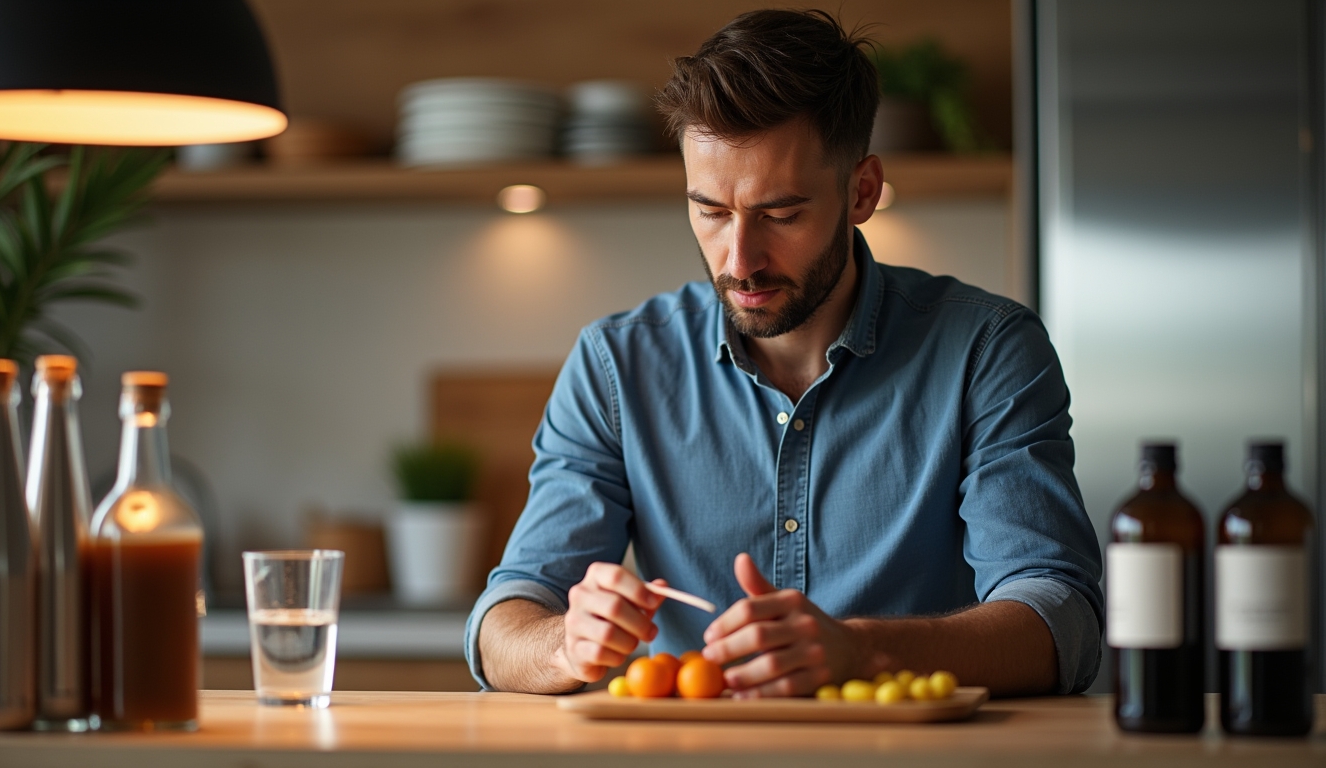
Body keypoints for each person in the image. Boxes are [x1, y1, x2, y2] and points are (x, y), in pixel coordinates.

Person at [465, 8, 1103, 698]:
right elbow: (504, 623)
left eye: (780, 214)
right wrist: (565, 644)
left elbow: (1061, 622)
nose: (740, 261)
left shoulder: (987, 349)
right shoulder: (616, 365)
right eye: (710, 211)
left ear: (861, 191)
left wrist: (864, 653)